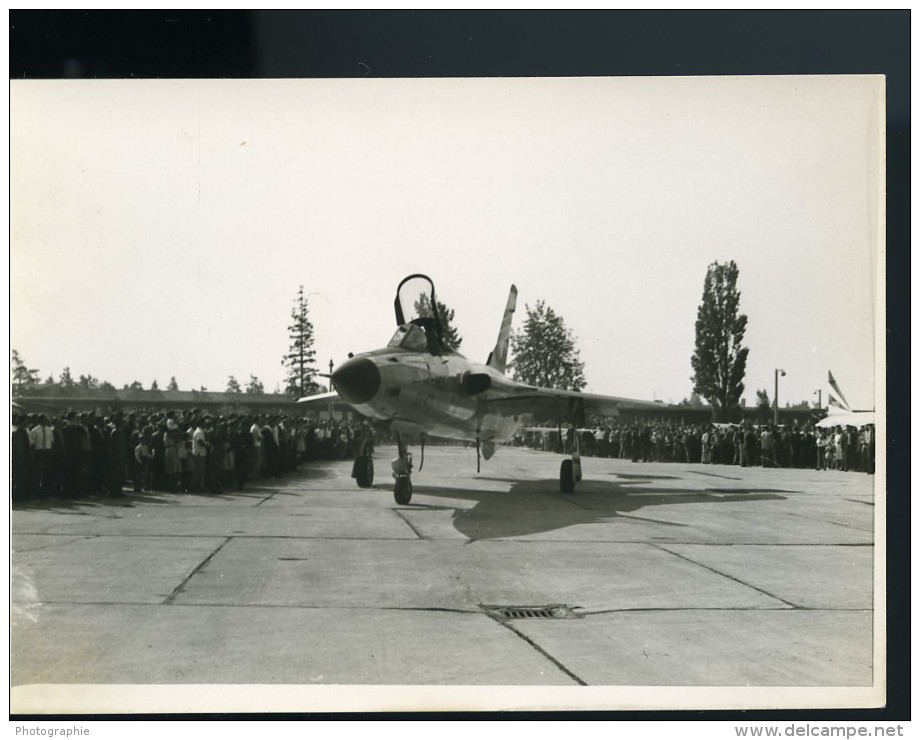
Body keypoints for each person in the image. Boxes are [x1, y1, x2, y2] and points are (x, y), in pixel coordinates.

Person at [29, 414, 55, 499]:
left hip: (47, 452)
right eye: (44, 420)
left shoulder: (49, 430)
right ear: (40, 421)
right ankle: (36, 492)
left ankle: (45, 492)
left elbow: (51, 441)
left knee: (47, 473)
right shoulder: (34, 430)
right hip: (39, 452)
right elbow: (32, 444)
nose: (46, 421)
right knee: (38, 473)